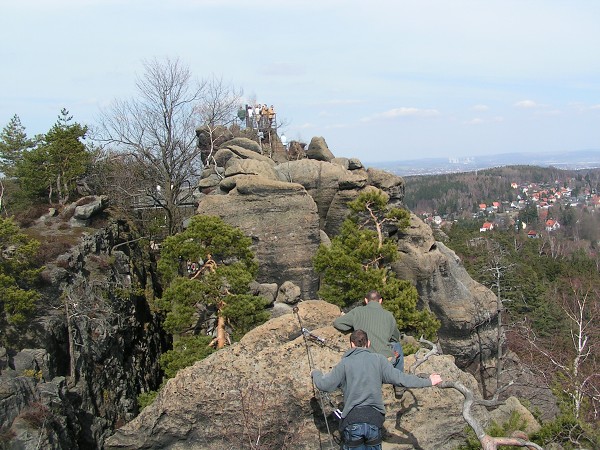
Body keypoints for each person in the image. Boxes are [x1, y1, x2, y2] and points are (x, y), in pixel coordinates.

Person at [312, 330, 442, 450]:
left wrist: (316, 373)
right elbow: (401, 379)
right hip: (374, 421)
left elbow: (324, 385)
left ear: (351, 344)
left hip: (352, 421)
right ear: (368, 343)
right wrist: (429, 381)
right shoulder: (379, 360)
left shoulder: (345, 363)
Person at [333, 290, 404, 372]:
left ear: (366, 300)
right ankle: (399, 378)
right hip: (385, 359)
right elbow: (395, 337)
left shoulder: (357, 312)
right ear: (380, 301)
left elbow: (338, 323)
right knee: (397, 345)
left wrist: (354, 327)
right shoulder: (389, 315)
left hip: (365, 358)